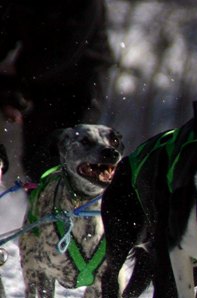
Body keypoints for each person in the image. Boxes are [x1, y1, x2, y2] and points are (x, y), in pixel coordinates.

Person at [0, 0, 114, 181]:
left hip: (83, 82)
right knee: (36, 162)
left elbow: (67, 50)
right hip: (39, 86)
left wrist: (20, 74)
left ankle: (72, 204)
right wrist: (7, 88)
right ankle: (41, 202)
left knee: (72, 158)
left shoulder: (85, 5)